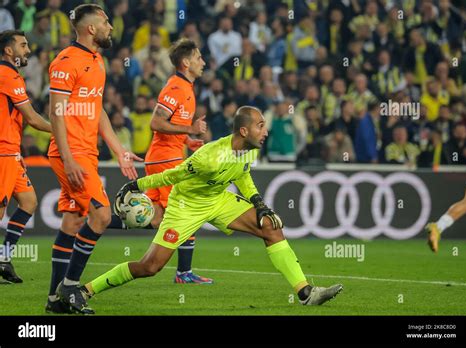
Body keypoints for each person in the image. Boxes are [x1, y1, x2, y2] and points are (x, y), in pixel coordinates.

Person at [78, 106, 343, 313]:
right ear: (243, 131)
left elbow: (242, 176)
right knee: (150, 266)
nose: (265, 130)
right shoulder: (209, 157)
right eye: (260, 126)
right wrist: (136, 183)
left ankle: (306, 293)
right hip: (186, 207)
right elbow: (174, 175)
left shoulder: (250, 150)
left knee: (270, 227)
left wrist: (259, 203)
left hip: (217, 200)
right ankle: (86, 290)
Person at [46, 4, 141, 314]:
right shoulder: (65, 61)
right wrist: (69, 158)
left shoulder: (96, 61)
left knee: (73, 220)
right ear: (90, 29)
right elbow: (56, 113)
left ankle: (54, 301)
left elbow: (97, 110)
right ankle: (71, 288)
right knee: (100, 217)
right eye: (106, 23)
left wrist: (117, 149)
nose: (111, 28)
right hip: (71, 153)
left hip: (86, 152)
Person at [143, 38, 212, 284]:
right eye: (198, 58)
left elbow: (169, 127)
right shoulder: (176, 87)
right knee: (187, 211)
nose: (202, 62)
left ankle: (97, 223)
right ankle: (183, 273)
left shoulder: (186, 88)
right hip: (165, 160)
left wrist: (187, 140)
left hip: (166, 157)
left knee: (155, 218)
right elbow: (156, 122)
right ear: (186, 63)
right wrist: (191, 128)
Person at [0, 30, 51, 283]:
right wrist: (63, 131)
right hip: (3, 152)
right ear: (9, 51)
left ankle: (4, 258)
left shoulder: (11, 75)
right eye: (23, 45)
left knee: (29, 201)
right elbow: (31, 118)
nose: (28, 49)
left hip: (11, 151)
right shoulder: (7, 75)